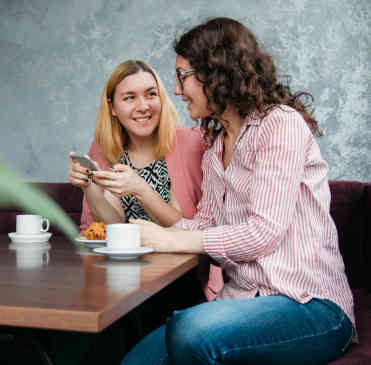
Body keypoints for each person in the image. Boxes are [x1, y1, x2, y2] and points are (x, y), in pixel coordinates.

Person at [122, 18, 355, 365]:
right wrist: (146, 235)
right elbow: (206, 227)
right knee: (135, 361)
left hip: (310, 305)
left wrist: (170, 240)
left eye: (182, 76)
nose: (175, 89)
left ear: (216, 72)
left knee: (191, 331)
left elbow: (263, 233)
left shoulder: (280, 124)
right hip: (241, 300)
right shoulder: (217, 148)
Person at [68, 60, 223, 300]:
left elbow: (197, 231)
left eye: (151, 94)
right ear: (112, 108)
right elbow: (107, 228)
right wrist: (90, 188)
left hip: (184, 279)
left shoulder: (193, 143)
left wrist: (141, 189)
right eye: (129, 98)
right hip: (122, 276)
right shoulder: (103, 150)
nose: (143, 106)